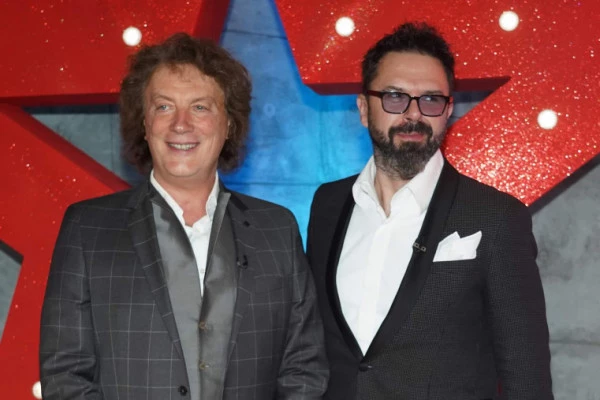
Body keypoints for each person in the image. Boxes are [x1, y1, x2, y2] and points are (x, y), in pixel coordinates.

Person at [40, 33, 328, 400]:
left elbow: (303, 369)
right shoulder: (88, 228)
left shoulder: (277, 229)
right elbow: (65, 375)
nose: (180, 124)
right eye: (163, 107)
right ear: (144, 123)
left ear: (229, 124)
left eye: (200, 107)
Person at [306, 22, 553, 400]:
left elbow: (526, 377)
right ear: (363, 108)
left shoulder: (496, 217)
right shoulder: (328, 203)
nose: (413, 114)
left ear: (448, 110)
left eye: (431, 99)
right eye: (394, 97)